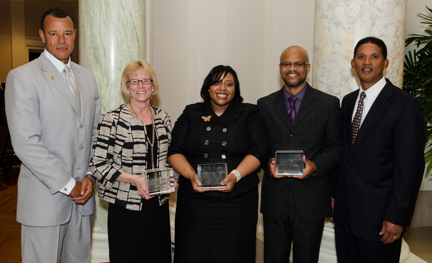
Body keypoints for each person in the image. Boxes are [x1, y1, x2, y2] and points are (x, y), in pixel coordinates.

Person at [5, 8, 100, 262]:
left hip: (84, 199)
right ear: (42, 36)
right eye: (54, 33)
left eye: (67, 33)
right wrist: (70, 186)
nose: (61, 40)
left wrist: (91, 174)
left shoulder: (87, 77)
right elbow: (26, 143)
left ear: (75, 35)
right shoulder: (23, 77)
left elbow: (94, 133)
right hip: (45, 200)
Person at [330, 37, 425, 263]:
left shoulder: (405, 104)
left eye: (374, 56)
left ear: (386, 63)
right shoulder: (348, 101)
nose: (367, 62)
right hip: (345, 216)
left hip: (380, 219)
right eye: (361, 57)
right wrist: (334, 196)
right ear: (353, 64)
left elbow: (409, 167)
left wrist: (397, 217)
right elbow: (345, 155)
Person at [168, 65, 270, 263]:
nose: (223, 88)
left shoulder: (249, 112)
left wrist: (235, 176)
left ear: (235, 89)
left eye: (229, 84)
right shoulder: (191, 112)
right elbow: (174, 151)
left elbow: (260, 150)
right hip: (195, 203)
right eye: (217, 82)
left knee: (234, 254)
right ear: (208, 88)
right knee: (193, 252)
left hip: (237, 201)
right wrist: (191, 176)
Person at [257, 46, 342, 263]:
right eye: (287, 64)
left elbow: (335, 149)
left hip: (310, 200)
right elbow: (260, 148)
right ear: (280, 68)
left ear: (308, 67)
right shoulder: (264, 104)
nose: (292, 68)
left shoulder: (328, 104)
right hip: (275, 199)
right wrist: (269, 164)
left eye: (298, 63)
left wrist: (315, 166)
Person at [89, 59, 173, 263]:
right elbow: (98, 165)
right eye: (134, 81)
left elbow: (171, 157)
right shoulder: (112, 119)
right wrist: (135, 179)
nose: (140, 86)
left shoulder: (164, 118)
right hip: (126, 205)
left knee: (157, 256)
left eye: (145, 80)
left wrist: (174, 177)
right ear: (126, 88)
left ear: (153, 86)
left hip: (158, 204)